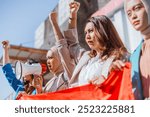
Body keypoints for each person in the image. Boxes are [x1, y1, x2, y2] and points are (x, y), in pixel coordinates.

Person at [49, 1, 128, 87]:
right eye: (85, 33)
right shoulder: (87, 57)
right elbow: (72, 44)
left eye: (90, 31)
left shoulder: (119, 57)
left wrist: (108, 78)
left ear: (103, 31)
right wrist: (73, 15)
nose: (87, 36)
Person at [113, 0, 150, 99]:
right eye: (129, 14)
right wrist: (114, 73)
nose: (133, 16)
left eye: (137, 8)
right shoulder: (135, 56)